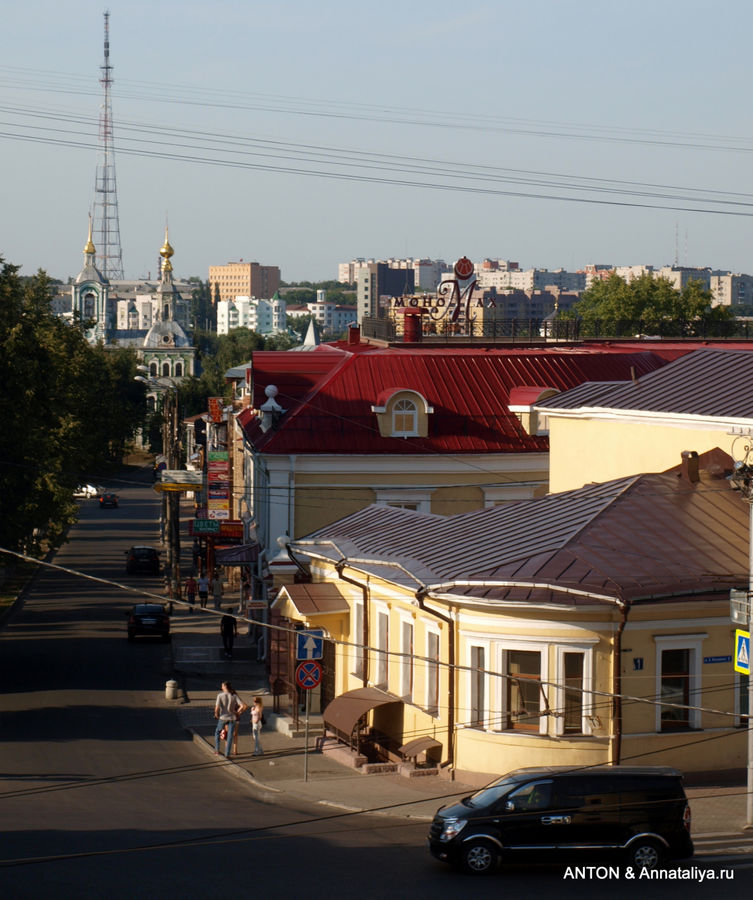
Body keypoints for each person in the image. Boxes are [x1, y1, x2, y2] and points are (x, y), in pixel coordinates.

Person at [214, 681, 243, 758]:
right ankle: (227, 754)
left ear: (225, 686)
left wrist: (216, 714)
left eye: (222, 686)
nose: (221, 687)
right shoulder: (234, 696)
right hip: (232, 718)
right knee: (230, 736)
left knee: (217, 732)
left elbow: (217, 707)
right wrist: (237, 712)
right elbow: (242, 706)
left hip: (223, 717)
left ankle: (217, 749)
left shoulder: (220, 695)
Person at [231, 688, 248, 757]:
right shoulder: (236, 698)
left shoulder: (233, 698)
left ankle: (230, 750)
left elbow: (245, 706)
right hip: (235, 718)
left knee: (230, 734)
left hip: (231, 718)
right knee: (234, 734)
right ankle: (234, 750)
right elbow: (245, 706)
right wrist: (239, 712)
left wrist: (238, 712)